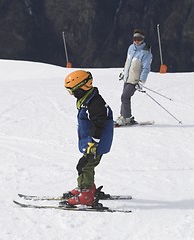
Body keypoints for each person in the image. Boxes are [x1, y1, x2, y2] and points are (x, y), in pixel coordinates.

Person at [63, 70, 114, 206]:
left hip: (96, 143)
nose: (72, 94)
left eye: (73, 90)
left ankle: (86, 195)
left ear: (82, 87)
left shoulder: (95, 103)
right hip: (91, 141)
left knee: (85, 166)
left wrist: (92, 143)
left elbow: (98, 123)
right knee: (84, 165)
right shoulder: (88, 99)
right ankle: (87, 187)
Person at [115, 29, 153, 126]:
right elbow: (128, 62)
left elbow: (146, 68)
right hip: (127, 78)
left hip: (135, 80)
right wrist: (124, 72)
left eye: (139, 39)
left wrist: (141, 82)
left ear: (143, 39)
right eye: (135, 38)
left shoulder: (146, 53)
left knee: (125, 97)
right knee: (125, 97)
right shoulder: (131, 48)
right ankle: (125, 116)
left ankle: (125, 118)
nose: (136, 41)